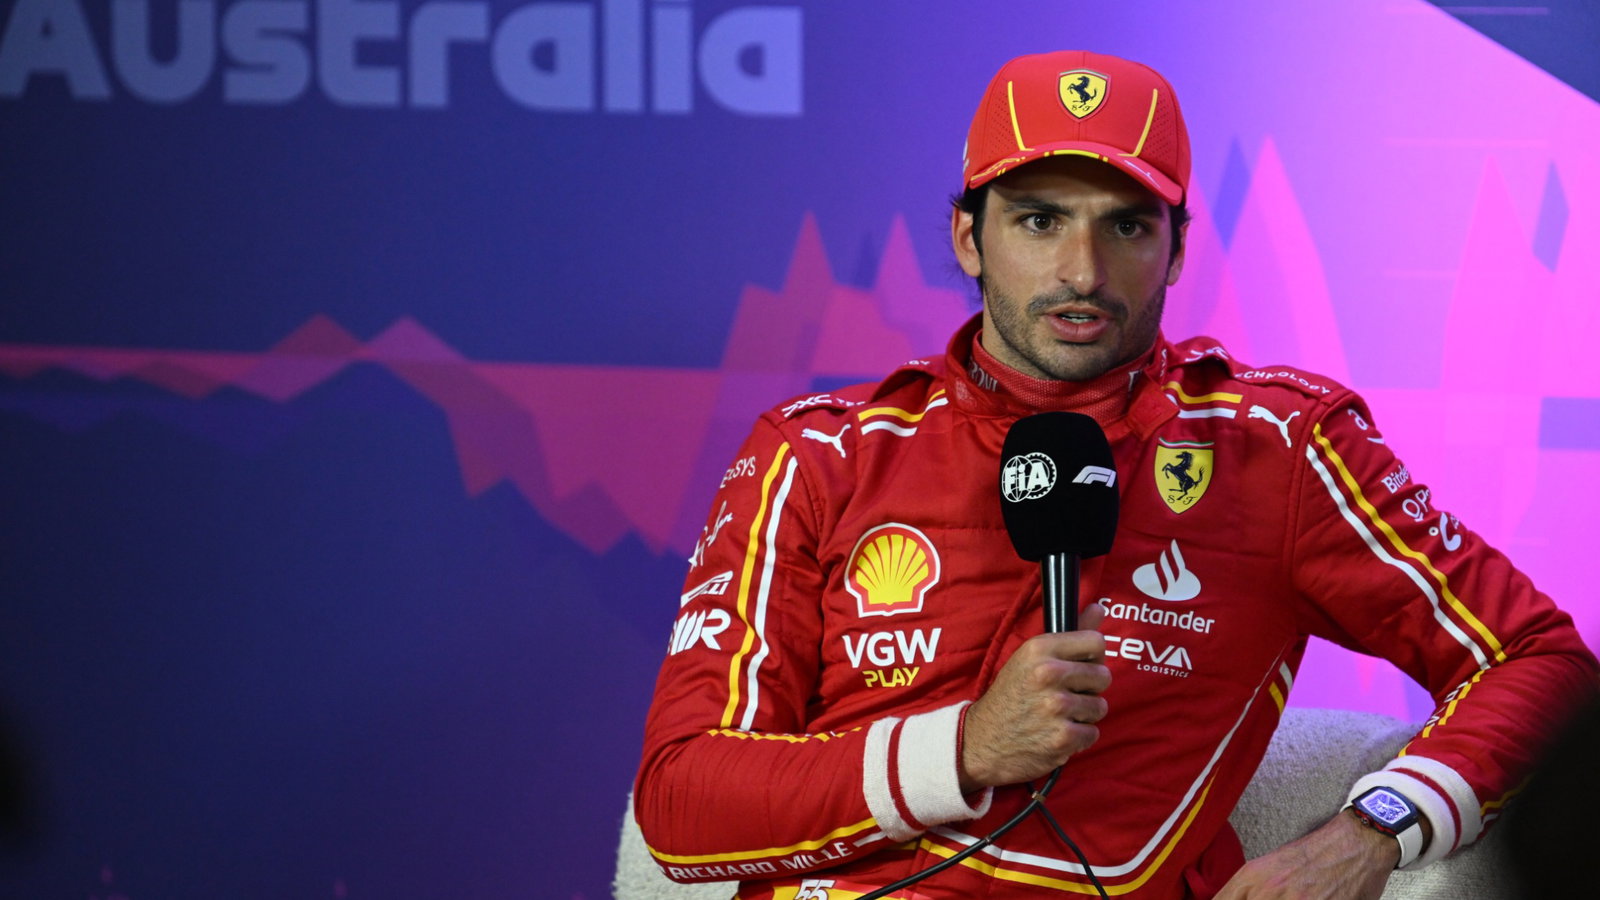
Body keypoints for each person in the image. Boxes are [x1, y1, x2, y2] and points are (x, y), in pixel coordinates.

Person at [632, 50, 1599, 899]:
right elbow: (682, 801)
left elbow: (1541, 663)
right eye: (1040, 220)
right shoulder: (818, 451)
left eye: (1128, 226)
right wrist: (964, 748)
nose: (1083, 271)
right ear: (970, 237)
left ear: (1178, 249)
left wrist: (1373, 832)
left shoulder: (1278, 445)